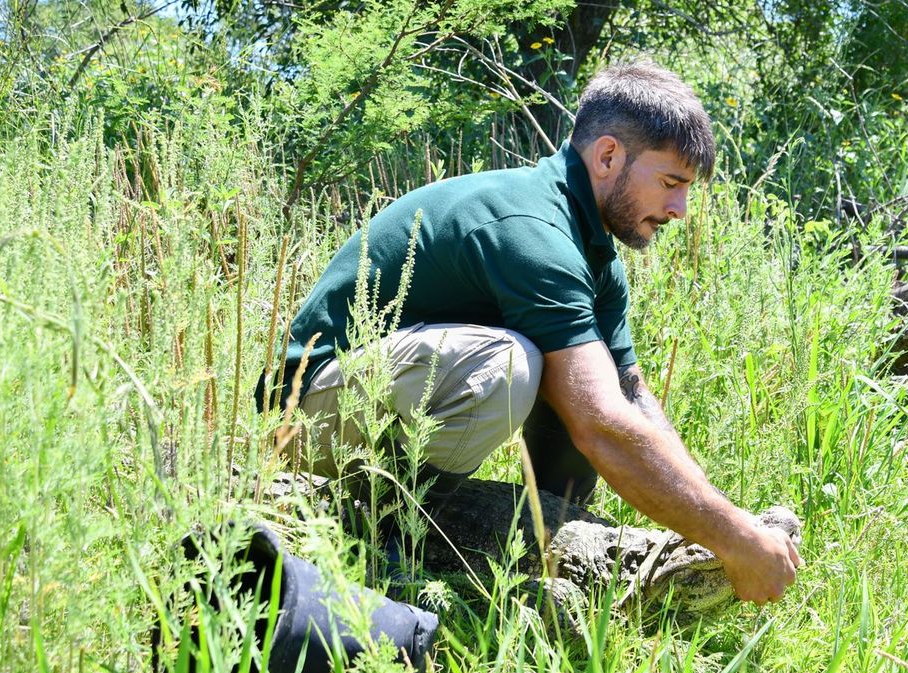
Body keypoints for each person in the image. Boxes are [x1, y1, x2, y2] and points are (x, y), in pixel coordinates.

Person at [256, 60, 798, 604]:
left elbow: (631, 401)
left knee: (591, 377)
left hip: (377, 403)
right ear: (608, 156)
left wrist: (716, 517)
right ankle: (387, 540)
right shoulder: (533, 231)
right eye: (671, 182)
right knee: (511, 365)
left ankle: (550, 543)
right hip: (307, 414)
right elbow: (601, 425)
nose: (680, 209)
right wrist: (736, 538)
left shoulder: (592, 252)